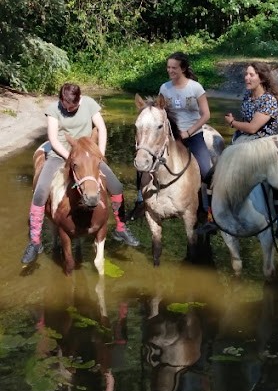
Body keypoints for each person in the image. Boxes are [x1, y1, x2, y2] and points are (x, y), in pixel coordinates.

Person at [21, 82, 140, 265]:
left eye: (73, 106)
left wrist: (98, 155)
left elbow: (102, 128)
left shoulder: (90, 104)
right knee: (40, 191)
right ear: (61, 99)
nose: (69, 109)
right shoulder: (53, 109)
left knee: (116, 186)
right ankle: (35, 241)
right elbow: (53, 138)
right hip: (61, 154)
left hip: (88, 156)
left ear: (80, 100)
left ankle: (121, 227)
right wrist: (71, 157)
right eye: (66, 105)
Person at [224, 62, 278, 247]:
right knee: (216, 172)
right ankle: (214, 217)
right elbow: (248, 124)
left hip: (264, 145)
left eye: (251, 75)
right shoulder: (247, 95)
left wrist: (232, 123)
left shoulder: (269, 100)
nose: (247, 78)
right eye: (246, 74)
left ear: (261, 77)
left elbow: (252, 127)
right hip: (243, 142)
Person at [158, 51, 216, 233]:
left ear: (183, 68)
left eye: (174, 67)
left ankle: (211, 215)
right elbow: (160, 113)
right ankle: (140, 200)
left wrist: (189, 131)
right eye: (168, 67)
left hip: (193, 135)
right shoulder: (164, 88)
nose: (170, 71)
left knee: (208, 172)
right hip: (171, 137)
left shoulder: (195, 88)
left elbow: (206, 114)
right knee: (145, 163)